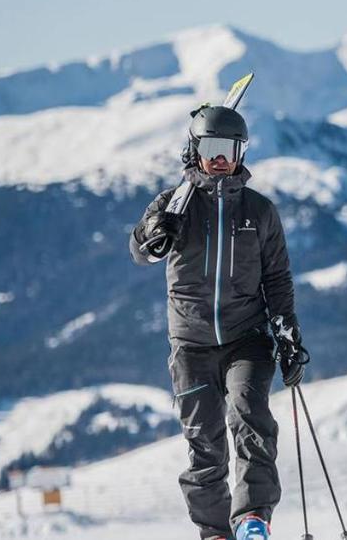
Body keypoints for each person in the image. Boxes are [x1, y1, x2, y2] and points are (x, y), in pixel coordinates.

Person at [130, 104, 309, 540]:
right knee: (203, 443)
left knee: (251, 418)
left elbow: (278, 279)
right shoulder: (175, 205)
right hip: (189, 345)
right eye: (211, 147)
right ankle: (214, 531)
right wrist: (155, 231)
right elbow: (140, 251)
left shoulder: (259, 211)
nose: (220, 157)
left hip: (246, 338)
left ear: (241, 153)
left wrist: (288, 337)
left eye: (230, 148)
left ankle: (252, 519)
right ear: (195, 149)